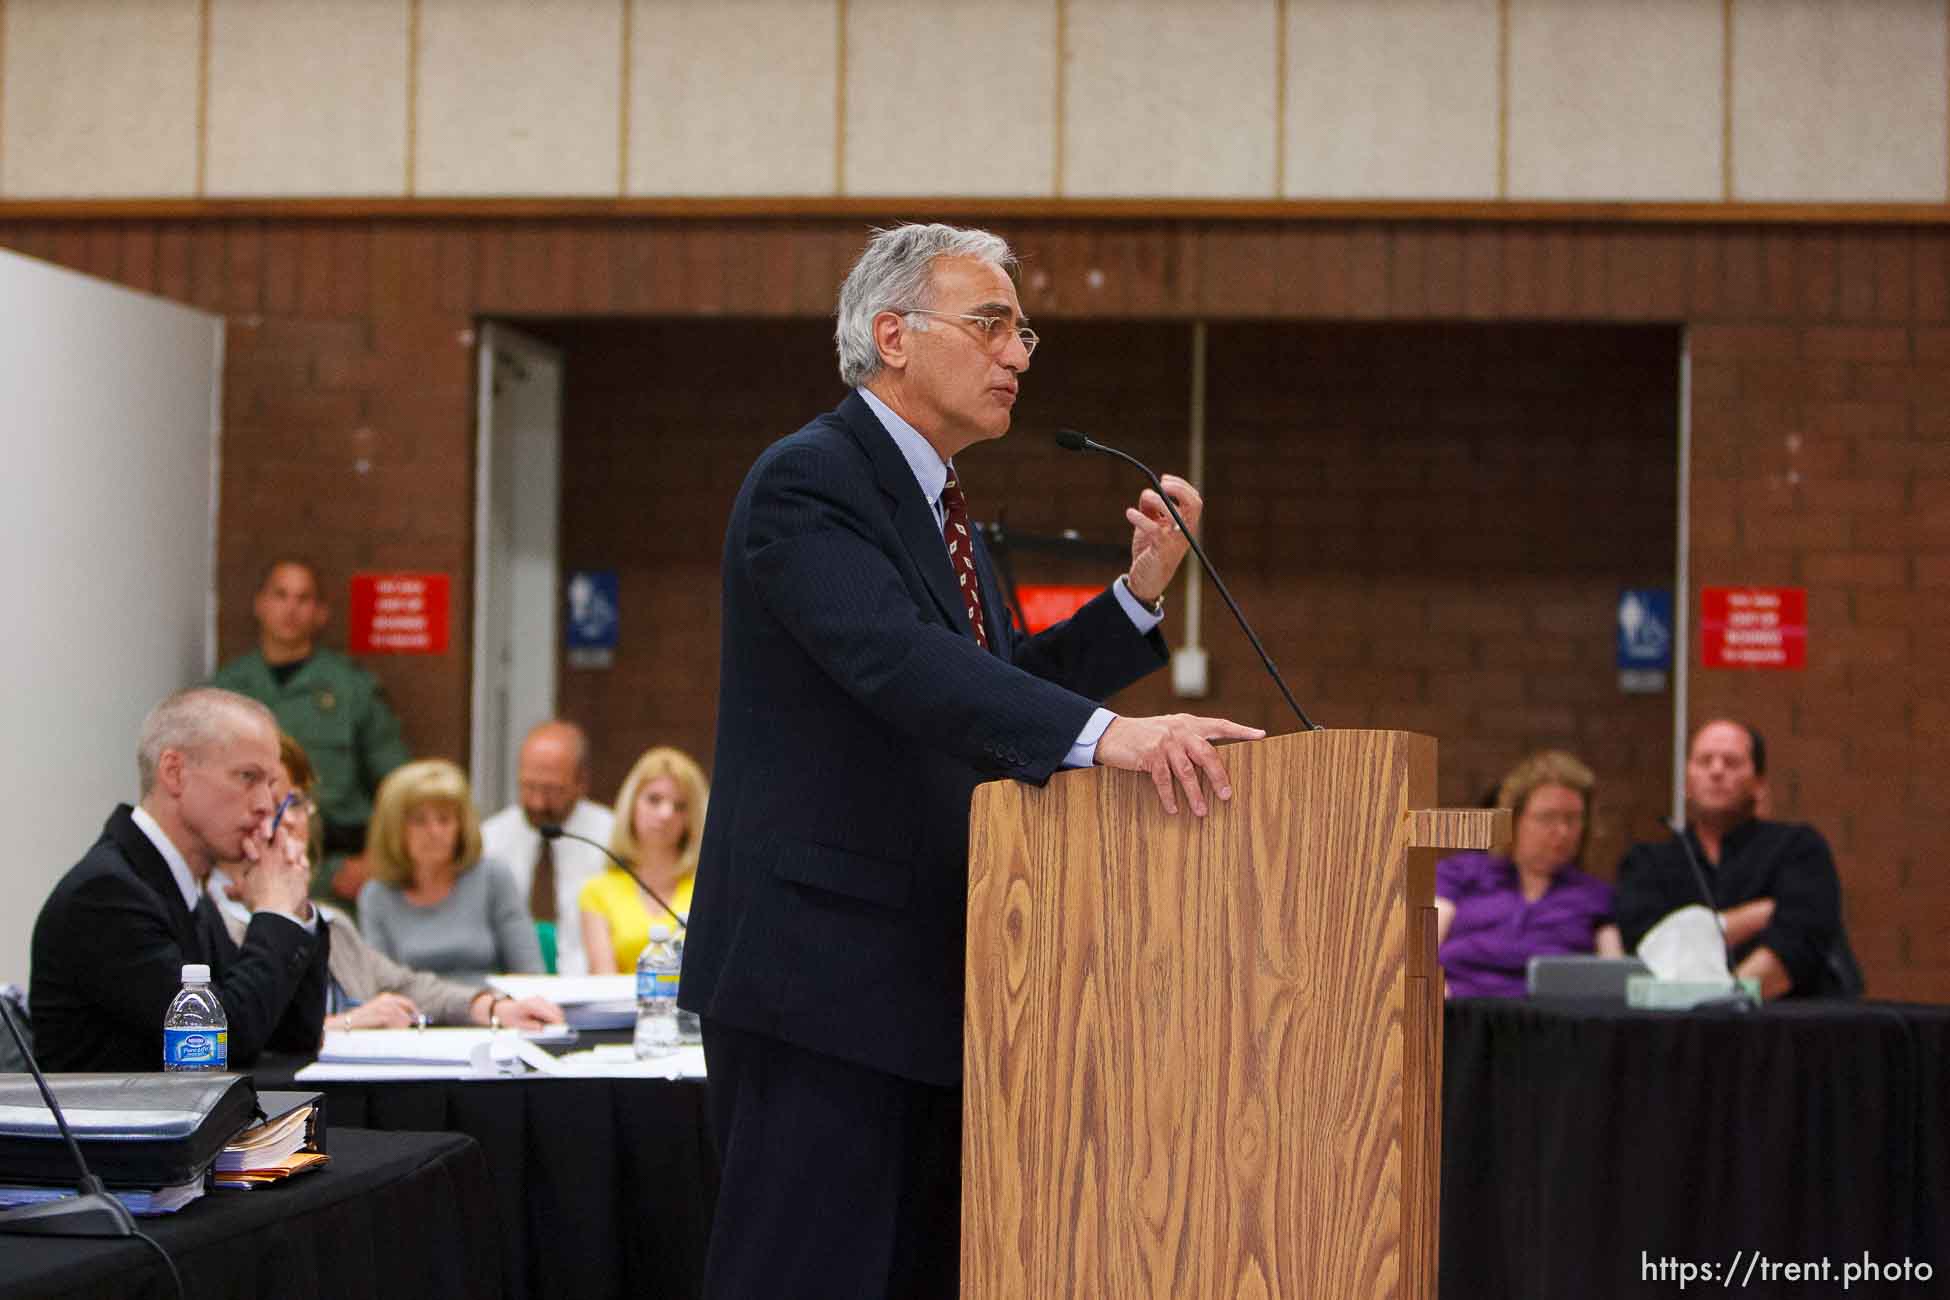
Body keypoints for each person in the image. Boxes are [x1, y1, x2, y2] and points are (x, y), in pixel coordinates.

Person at [678, 222, 1264, 1299]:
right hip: (817, 974)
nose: (1021, 354)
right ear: (891, 335)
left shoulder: (945, 507)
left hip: (932, 971)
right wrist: (1117, 739)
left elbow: (994, 681)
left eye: (1025, 330)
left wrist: (1134, 598)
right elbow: (897, 664)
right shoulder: (809, 480)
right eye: (992, 324)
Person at [30, 688, 329, 1071]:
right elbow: (222, 1044)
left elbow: (292, 1038)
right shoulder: (106, 894)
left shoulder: (183, 884)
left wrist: (295, 907)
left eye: (270, 786)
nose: (266, 806)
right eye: (247, 777)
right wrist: (274, 914)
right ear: (175, 773)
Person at [210, 734, 562, 1033]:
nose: (288, 821)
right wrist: (347, 1023)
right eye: (271, 806)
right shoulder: (209, 919)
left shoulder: (330, 922)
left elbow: (404, 985)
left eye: (298, 804)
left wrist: (490, 1008)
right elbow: (232, 1033)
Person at [210, 558, 412, 903]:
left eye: (304, 599)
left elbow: (403, 787)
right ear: (260, 604)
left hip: (335, 870)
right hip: (246, 863)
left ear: (321, 613)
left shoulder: (352, 689)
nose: (291, 608)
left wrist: (373, 861)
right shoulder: (225, 692)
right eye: (281, 595)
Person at [1614, 719, 1853, 1000]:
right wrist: (1756, 916)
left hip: (1783, 1025)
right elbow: (1650, 945)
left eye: (1732, 762)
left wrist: (1727, 1004)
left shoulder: (1798, 848)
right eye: (1705, 761)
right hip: (1673, 1030)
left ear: (1759, 783)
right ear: (1686, 782)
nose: (1717, 771)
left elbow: (1800, 940)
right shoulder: (1646, 862)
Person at [1434, 750, 1622, 998]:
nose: (1562, 831)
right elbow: (1419, 954)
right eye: (1548, 817)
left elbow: (1614, 983)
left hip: (1547, 1025)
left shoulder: (1596, 897)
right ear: (1514, 819)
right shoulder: (1460, 874)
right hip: (1457, 1015)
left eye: (1573, 819)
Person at [356, 759, 544, 984]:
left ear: (461, 826)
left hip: (493, 1012)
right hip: (414, 1015)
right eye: (419, 821)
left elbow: (531, 976)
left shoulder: (494, 877)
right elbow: (379, 987)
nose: (434, 831)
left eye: (444, 820)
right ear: (394, 829)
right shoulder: (376, 895)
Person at [479, 719, 615, 974]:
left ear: (582, 782)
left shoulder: (611, 839)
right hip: (510, 986)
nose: (538, 802)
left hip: (588, 985)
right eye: (528, 787)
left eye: (552, 790)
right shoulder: (489, 839)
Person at [579, 747, 708, 973]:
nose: (665, 814)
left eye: (680, 806)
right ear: (631, 805)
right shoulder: (597, 891)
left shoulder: (708, 890)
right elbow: (603, 982)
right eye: (654, 800)